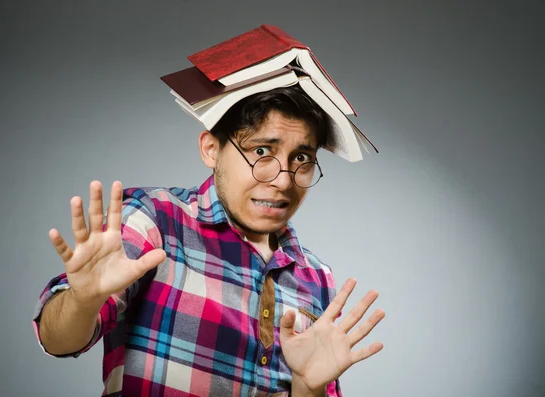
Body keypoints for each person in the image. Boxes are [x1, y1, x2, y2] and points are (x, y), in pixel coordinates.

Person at [32, 85, 385, 397]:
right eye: (262, 151)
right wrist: (83, 300)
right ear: (211, 149)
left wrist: (309, 388)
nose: (283, 180)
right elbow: (58, 340)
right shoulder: (156, 220)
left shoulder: (317, 277)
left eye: (302, 158)